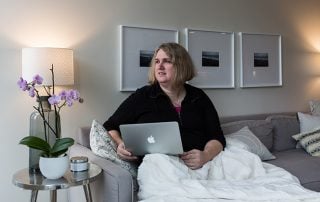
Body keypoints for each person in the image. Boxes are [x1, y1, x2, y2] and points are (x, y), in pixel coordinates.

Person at [103, 42, 225, 170]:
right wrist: (120, 144)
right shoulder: (143, 96)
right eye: (156, 61)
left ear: (181, 66)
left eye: (167, 61)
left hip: (200, 166)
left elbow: (217, 137)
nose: (159, 66)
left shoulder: (198, 97)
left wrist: (206, 155)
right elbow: (110, 126)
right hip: (159, 168)